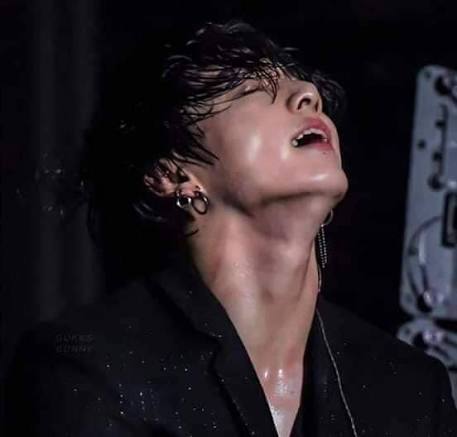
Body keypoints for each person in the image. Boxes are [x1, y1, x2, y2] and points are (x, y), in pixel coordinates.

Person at [4, 20, 457, 437]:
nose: (308, 94)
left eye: (302, 83)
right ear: (171, 174)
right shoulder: (91, 369)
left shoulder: (411, 388)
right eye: (251, 87)